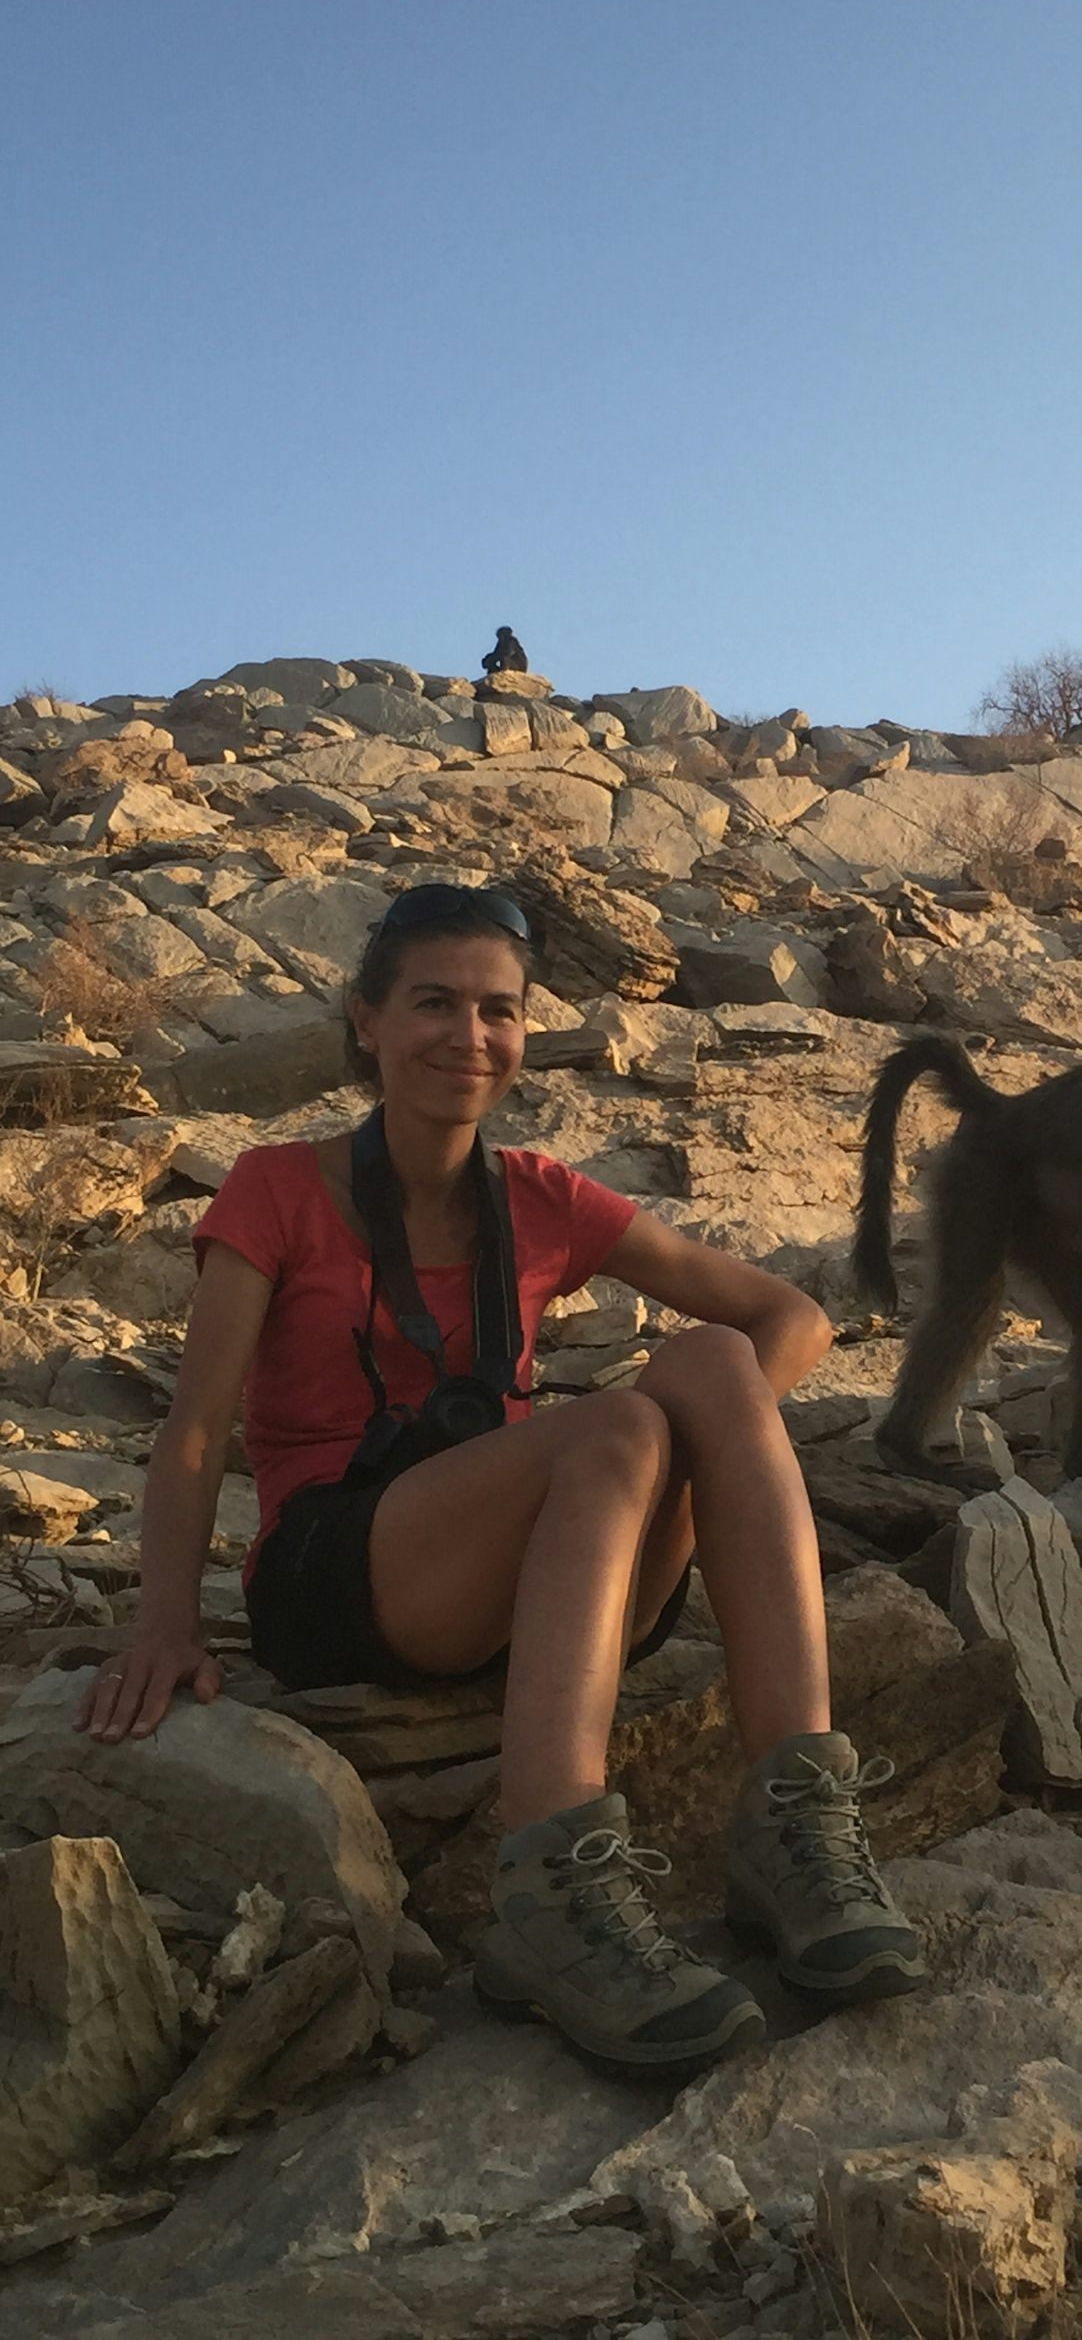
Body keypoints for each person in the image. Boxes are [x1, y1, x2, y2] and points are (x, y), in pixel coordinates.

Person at [72, 881, 923, 2075]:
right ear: (366, 1020)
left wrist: (713, 1453)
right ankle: (553, 1897)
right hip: (340, 1570)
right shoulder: (279, 1188)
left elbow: (793, 1316)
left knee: (712, 1363)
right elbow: (198, 1429)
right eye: (434, 1003)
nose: (468, 1035)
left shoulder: (537, 1195)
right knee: (616, 1427)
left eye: (498, 1010)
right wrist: (164, 1620)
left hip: (557, 1574)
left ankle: (800, 1833)